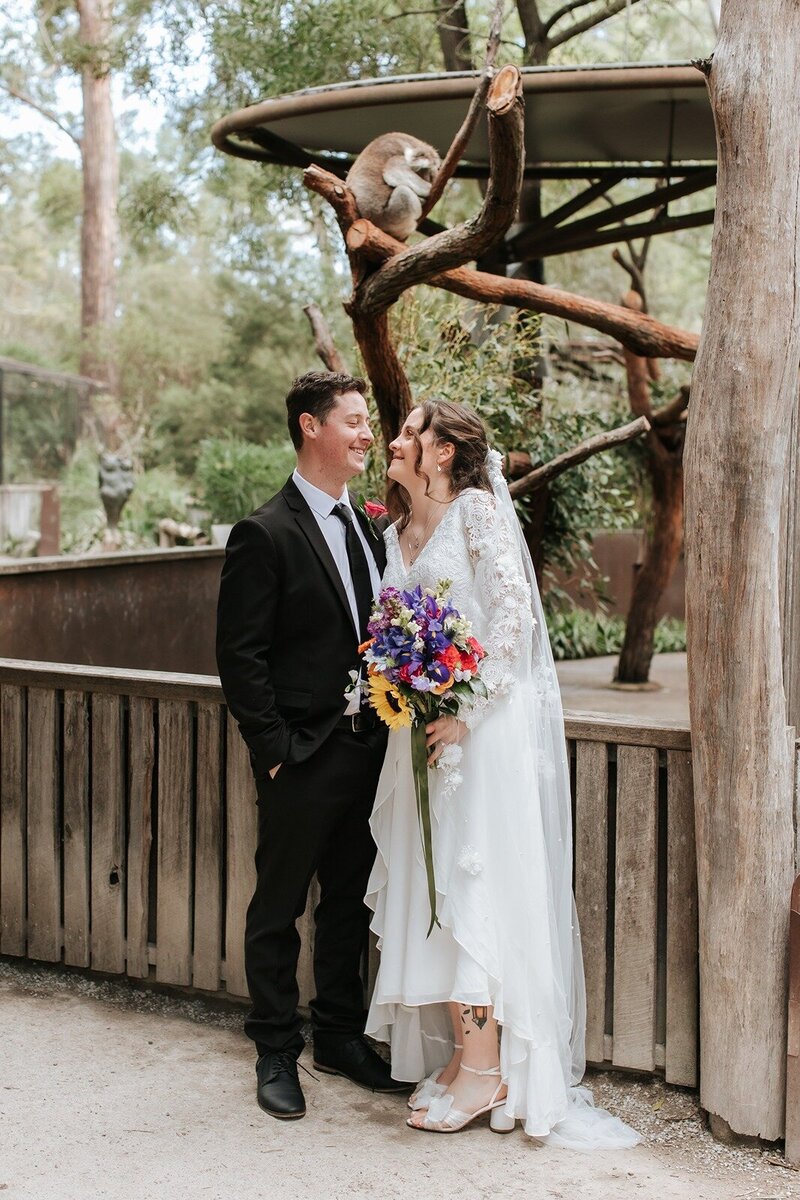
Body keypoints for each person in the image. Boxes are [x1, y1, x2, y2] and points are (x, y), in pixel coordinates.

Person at [364, 399, 640, 1146]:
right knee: (435, 891)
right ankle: (468, 1056)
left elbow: (510, 625)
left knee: (470, 887)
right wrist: (401, 691)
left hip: (479, 737)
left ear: (446, 451)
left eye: (412, 431)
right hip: (421, 734)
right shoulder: (397, 530)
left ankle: (489, 1070)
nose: (396, 439)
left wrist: (464, 710)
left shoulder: (478, 514)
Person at [216, 370, 408, 1121]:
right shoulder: (263, 532)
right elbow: (241, 657)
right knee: (279, 905)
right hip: (302, 754)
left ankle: (338, 1035)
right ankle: (273, 1048)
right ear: (310, 426)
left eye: (366, 422)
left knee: (348, 905)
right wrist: (274, 750)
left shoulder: (367, 524)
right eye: (354, 421)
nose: (368, 434)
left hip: (371, 747)